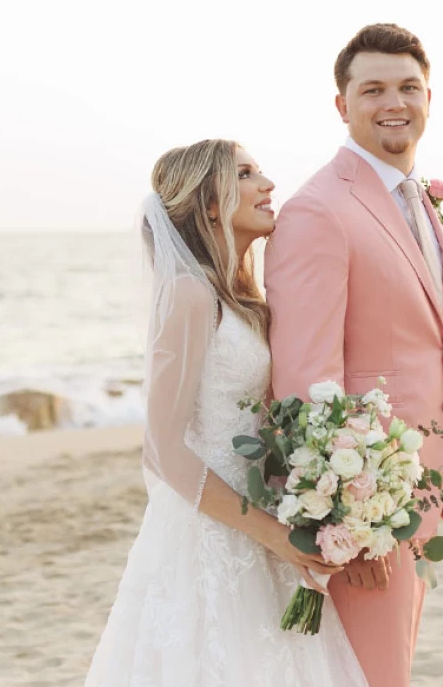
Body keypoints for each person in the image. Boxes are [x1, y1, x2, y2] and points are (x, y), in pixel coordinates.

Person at [264, 23, 443, 686]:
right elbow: (306, 378)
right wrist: (345, 526)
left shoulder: (420, 200)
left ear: (429, 97)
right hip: (370, 507)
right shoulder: (318, 211)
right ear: (342, 105)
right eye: (373, 90)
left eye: (407, 87)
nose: (393, 102)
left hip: (423, 491)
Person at [84, 139, 368, 686]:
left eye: (260, 171)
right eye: (245, 174)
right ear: (211, 203)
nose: (267, 184)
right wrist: (271, 533)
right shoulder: (190, 295)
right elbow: (162, 448)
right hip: (207, 533)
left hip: (260, 522)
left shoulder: (240, 296)